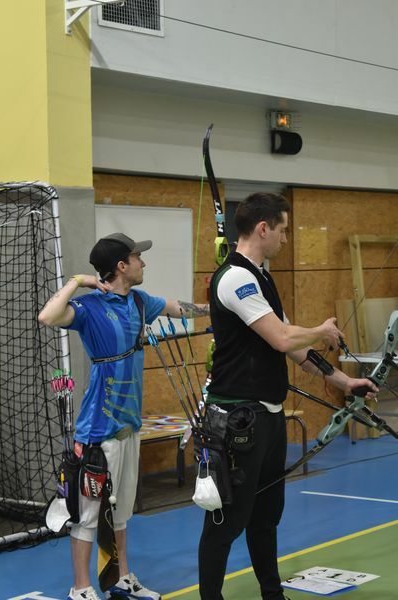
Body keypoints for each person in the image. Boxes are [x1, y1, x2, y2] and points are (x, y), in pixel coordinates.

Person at [198, 192, 378, 600]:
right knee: (227, 520)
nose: (285, 238)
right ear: (263, 228)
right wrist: (321, 330)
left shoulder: (261, 277)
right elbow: (282, 337)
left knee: (266, 516)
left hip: (267, 416)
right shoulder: (236, 278)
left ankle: (272, 594)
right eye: (282, 230)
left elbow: (295, 348)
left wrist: (344, 382)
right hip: (237, 419)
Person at [38, 232, 209, 600]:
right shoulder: (89, 307)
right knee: (88, 515)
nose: (142, 263)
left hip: (129, 427)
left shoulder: (140, 302)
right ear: (121, 266)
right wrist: (79, 281)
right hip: (98, 431)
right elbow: (48, 315)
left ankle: (121, 578)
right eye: (136, 257)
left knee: (121, 513)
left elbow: (179, 309)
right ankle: (81, 588)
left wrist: (218, 309)